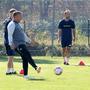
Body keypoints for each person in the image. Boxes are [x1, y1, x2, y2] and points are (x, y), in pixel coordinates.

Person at [7, 11, 41, 79]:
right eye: (20, 16)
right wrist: (11, 44)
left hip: (22, 44)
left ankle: (26, 75)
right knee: (27, 55)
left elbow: (23, 35)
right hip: (17, 45)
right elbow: (10, 35)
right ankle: (36, 67)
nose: (21, 18)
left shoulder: (19, 24)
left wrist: (29, 41)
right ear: (15, 17)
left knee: (25, 58)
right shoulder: (11, 24)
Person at [3, 8, 17, 75]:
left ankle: (12, 70)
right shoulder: (9, 21)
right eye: (13, 13)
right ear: (10, 14)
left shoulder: (10, 21)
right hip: (9, 42)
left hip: (10, 41)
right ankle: (8, 71)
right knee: (10, 56)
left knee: (12, 56)